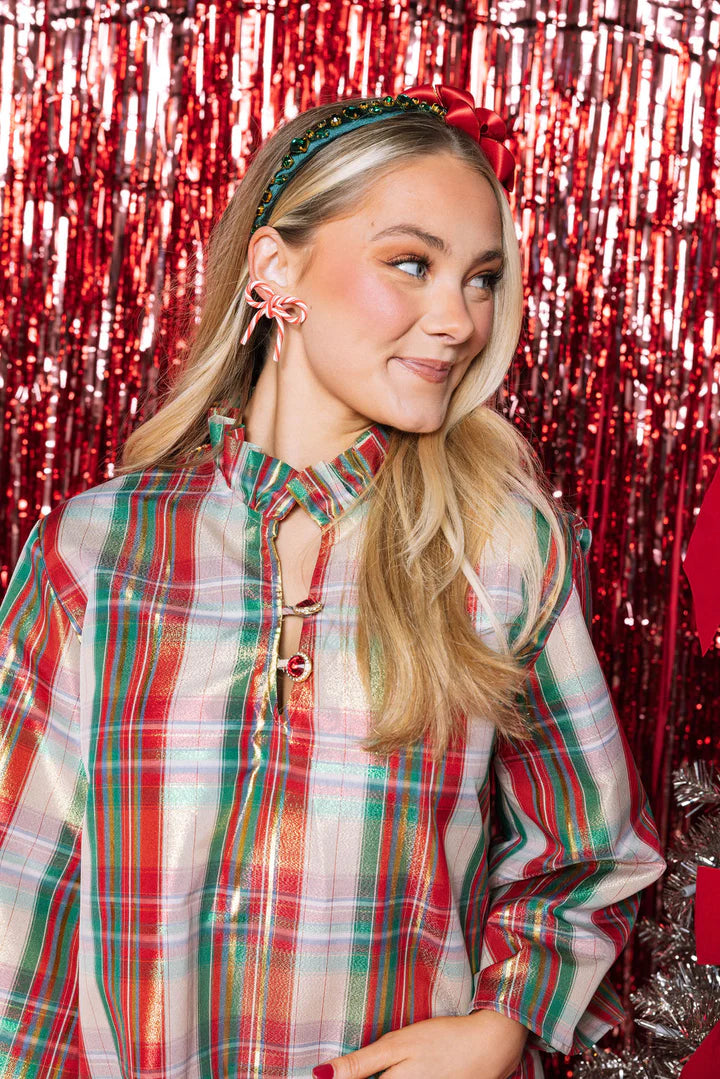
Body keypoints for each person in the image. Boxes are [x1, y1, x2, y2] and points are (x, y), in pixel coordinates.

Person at [0, 84, 666, 1079]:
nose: (458, 320)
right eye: (413, 264)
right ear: (277, 269)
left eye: (482, 279)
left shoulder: (502, 548)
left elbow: (591, 849)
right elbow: (23, 887)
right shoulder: (92, 551)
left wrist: (504, 1022)